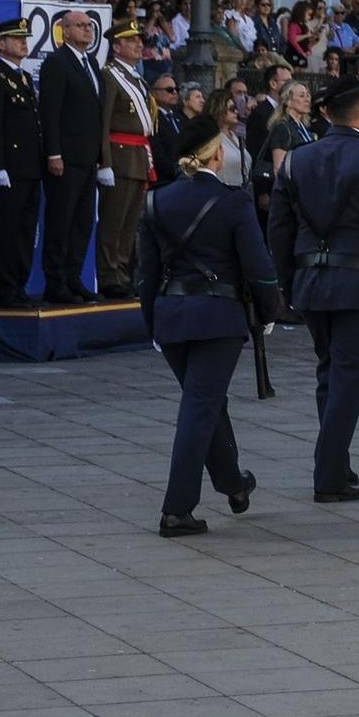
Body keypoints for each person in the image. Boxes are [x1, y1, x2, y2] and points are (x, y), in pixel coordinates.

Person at [268, 76, 359, 502]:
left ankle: (339, 462)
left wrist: (284, 281)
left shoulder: (298, 160)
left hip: (311, 282)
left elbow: (278, 228)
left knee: (329, 373)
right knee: (348, 379)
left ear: (325, 113)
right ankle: (329, 475)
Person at [136, 115, 284, 537]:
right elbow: (258, 266)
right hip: (217, 316)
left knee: (207, 402)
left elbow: (146, 273)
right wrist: (270, 311)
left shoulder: (156, 201)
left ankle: (233, 484)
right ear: (216, 155)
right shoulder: (234, 202)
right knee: (200, 407)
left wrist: (152, 323)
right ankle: (176, 509)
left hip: (170, 314)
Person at [39, 9, 105, 304]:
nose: (87, 30)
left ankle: (73, 276)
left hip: (88, 158)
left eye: (89, 26)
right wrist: (54, 153)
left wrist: (101, 157)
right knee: (61, 221)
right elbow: (50, 112)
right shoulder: (56, 62)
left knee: (82, 222)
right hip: (65, 157)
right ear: (64, 31)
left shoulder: (91, 62)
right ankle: (56, 282)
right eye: (80, 26)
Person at [0, 18, 44, 309]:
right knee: (8, 232)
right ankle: (7, 290)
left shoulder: (25, 78)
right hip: (8, 169)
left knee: (26, 232)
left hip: (30, 168)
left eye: (24, 37)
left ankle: (20, 286)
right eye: (16, 38)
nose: (23, 42)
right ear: (1, 43)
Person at [96, 19, 155, 299]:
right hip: (119, 157)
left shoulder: (134, 77)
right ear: (117, 46)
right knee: (113, 221)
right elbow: (103, 123)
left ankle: (122, 271)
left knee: (130, 222)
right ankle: (109, 275)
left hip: (138, 156)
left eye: (139, 40)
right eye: (131, 40)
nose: (138, 44)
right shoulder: (110, 76)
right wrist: (104, 162)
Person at [246, 65, 292, 165]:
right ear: (273, 84)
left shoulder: (288, 112)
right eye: (287, 82)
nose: (291, 86)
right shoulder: (260, 113)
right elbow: (255, 149)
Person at [206, 89, 251, 188]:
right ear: (220, 109)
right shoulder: (211, 137)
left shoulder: (236, 137)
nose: (236, 111)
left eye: (236, 107)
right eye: (232, 108)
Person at [151, 74, 185, 186]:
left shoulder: (180, 118)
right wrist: (177, 172)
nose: (175, 93)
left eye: (176, 89)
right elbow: (157, 153)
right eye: (169, 90)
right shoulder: (153, 119)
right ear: (155, 93)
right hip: (164, 181)